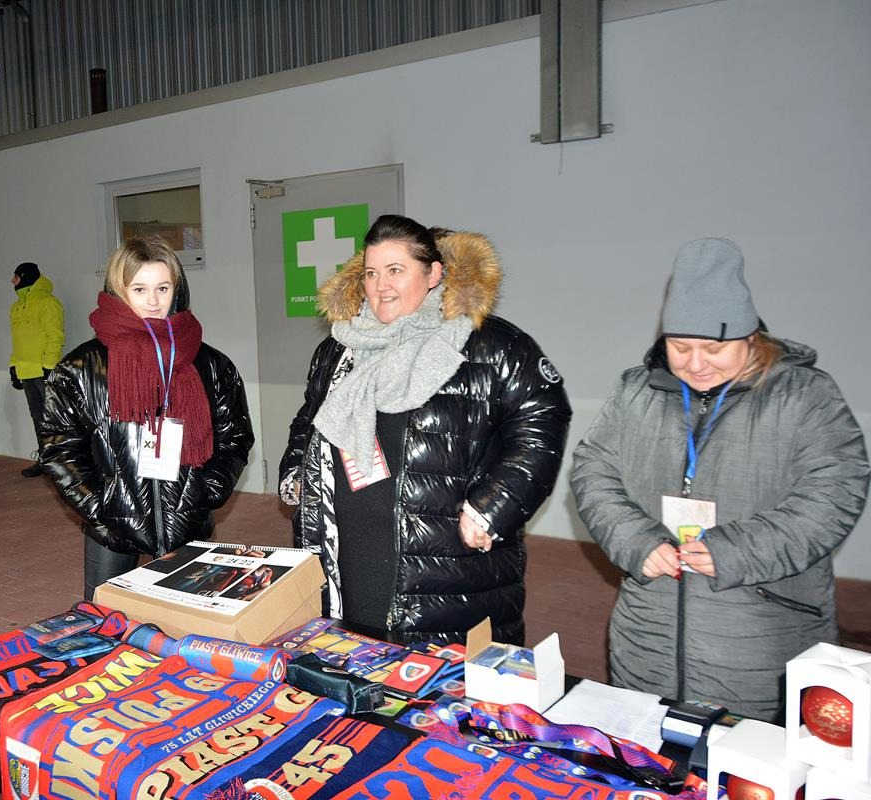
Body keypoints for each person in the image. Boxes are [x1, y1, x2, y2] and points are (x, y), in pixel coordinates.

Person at [571, 237, 869, 721]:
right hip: (648, 630)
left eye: (714, 348)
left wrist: (736, 551)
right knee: (650, 745)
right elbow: (593, 470)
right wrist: (635, 540)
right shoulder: (637, 390)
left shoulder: (805, 395)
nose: (695, 363)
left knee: (749, 755)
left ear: (751, 338)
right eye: (680, 347)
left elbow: (834, 493)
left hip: (760, 633)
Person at [279, 214, 571, 644]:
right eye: (371, 273)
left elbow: (541, 419)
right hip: (347, 545)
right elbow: (310, 417)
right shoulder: (339, 348)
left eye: (396, 270)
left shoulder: (490, 343)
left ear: (433, 274)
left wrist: (493, 508)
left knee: (434, 676)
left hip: (441, 556)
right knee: (351, 656)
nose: (381, 286)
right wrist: (296, 471)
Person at [42, 236, 254, 601]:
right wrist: (100, 506)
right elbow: (59, 447)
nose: (153, 301)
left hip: (186, 518)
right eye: (139, 289)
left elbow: (234, 436)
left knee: (186, 622)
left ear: (177, 290)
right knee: (105, 620)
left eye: (162, 288)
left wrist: (205, 491)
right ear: (118, 290)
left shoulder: (210, 363)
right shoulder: (79, 368)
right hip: (110, 526)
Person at [9, 261, 64, 477]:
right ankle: (45, 459)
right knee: (37, 418)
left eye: (15, 276)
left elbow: (55, 336)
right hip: (26, 371)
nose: (12, 281)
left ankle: (60, 461)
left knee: (52, 418)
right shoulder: (16, 307)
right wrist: (14, 366)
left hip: (42, 371)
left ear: (24, 277)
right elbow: (17, 340)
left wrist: (50, 367)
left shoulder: (48, 302)